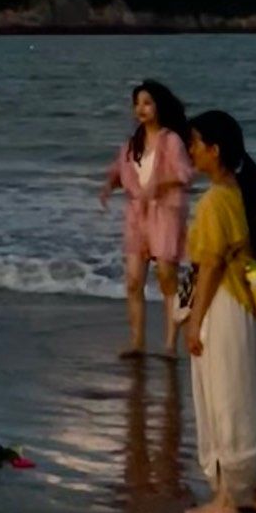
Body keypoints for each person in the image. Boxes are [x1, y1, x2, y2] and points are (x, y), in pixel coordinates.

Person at [180, 110, 256, 513]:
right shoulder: (255, 193)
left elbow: (210, 268)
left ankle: (227, 495)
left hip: (224, 305)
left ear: (214, 150)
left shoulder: (215, 201)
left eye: (195, 144)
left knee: (226, 396)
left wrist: (193, 320)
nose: (190, 151)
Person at [97, 78, 194, 359]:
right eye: (137, 103)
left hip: (166, 213)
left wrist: (160, 185)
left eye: (147, 103)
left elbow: (186, 174)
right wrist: (108, 186)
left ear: (159, 106)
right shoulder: (132, 143)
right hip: (137, 216)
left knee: (166, 277)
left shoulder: (171, 140)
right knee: (133, 281)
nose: (141, 108)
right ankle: (137, 341)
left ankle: (170, 344)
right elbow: (121, 171)